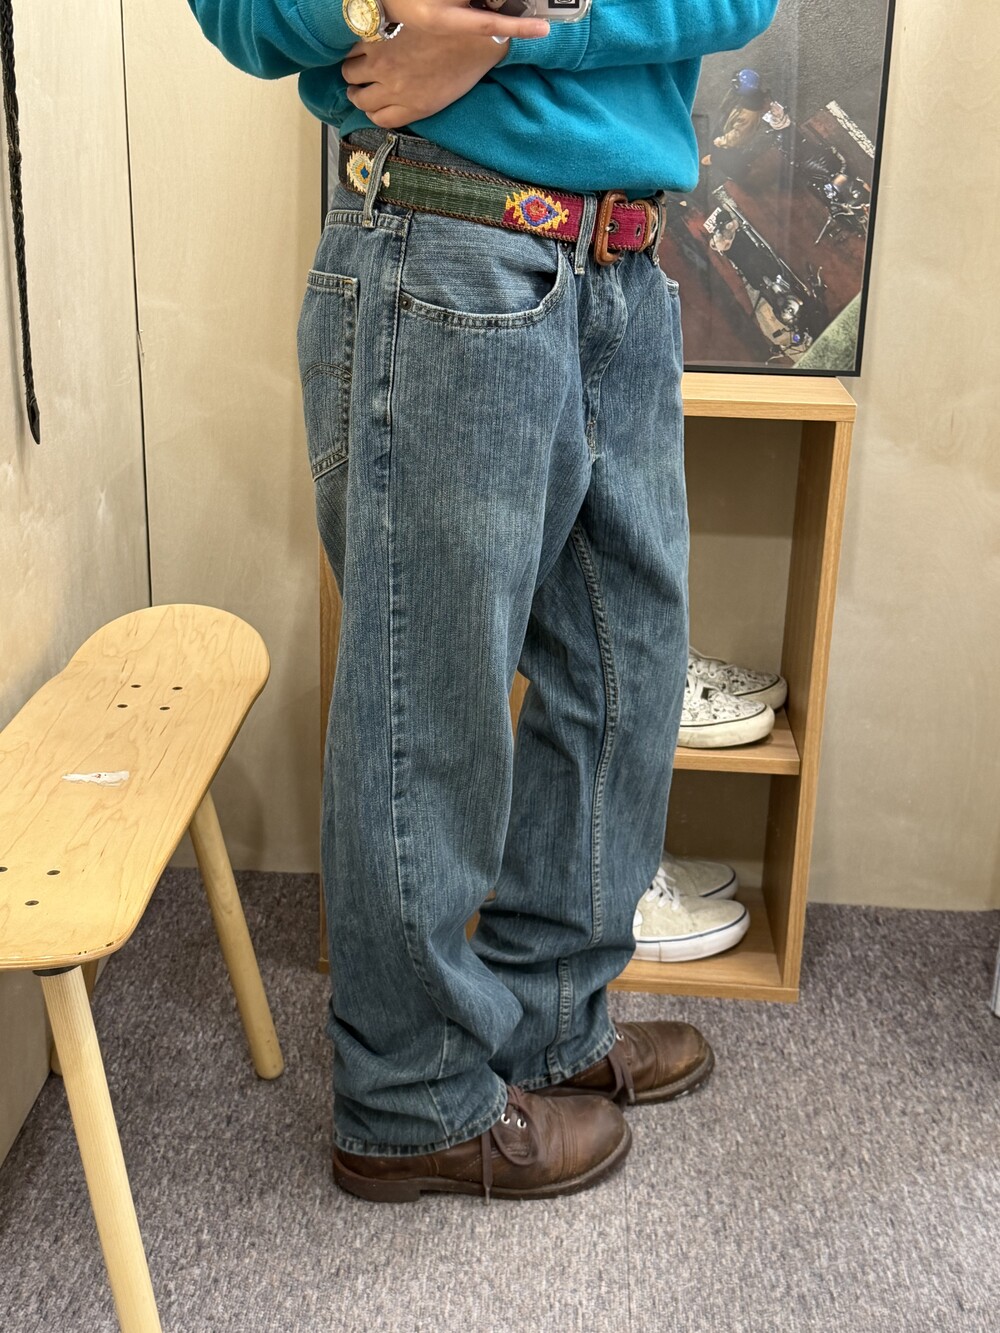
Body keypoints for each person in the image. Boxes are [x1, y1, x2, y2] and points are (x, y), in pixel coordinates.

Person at [186, 0, 778, 1202]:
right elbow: (237, 12)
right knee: (431, 698)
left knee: (624, 669)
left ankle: (549, 1020)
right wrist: (386, 6)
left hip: (622, 261)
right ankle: (409, 1100)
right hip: (450, 237)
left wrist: (513, 33)